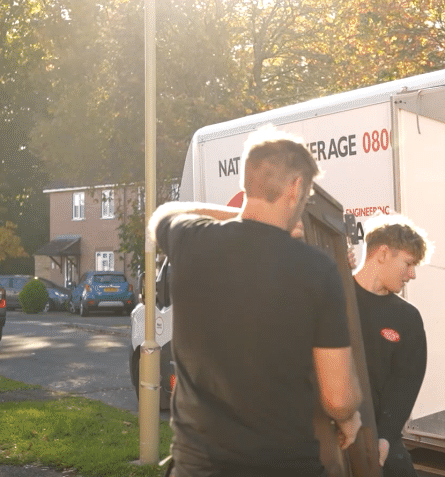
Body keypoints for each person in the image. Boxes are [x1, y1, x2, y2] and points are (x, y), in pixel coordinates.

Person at [148, 126, 362, 477]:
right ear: (295, 188)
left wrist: (238, 218)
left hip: (196, 467)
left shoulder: (190, 241)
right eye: (306, 192)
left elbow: (164, 214)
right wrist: (349, 416)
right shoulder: (317, 271)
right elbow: (337, 397)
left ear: (245, 184)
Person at [353, 214, 431, 476]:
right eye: (408, 263)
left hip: (381, 433)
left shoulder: (407, 317)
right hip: (332, 431)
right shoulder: (337, 297)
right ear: (383, 253)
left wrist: (385, 437)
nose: (413, 275)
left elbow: (406, 383)